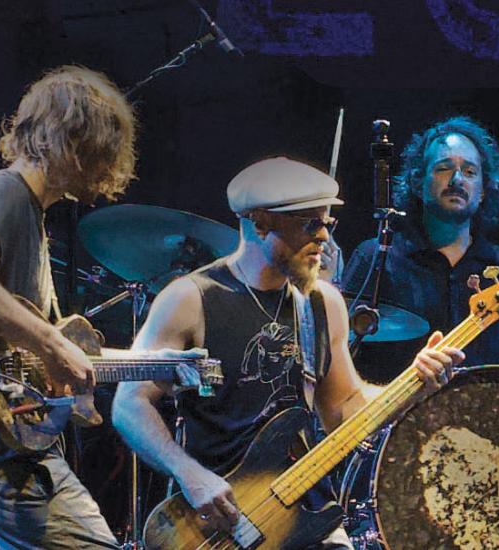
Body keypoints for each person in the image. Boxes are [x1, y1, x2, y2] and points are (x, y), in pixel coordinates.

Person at [113, 157, 464, 547]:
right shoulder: (191, 298)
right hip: (218, 523)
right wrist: (189, 474)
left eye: (327, 223)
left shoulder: (322, 304)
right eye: (309, 224)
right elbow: (129, 403)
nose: (324, 237)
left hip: (305, 510)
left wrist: (413, 384)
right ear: (260, 222)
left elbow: (342, 409)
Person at [0, 65, 136, 548]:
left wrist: (160, 363)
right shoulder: (4, 194)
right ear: (75, 140)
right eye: (105, 149)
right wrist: (53, 346)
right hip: (2, 462)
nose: (110, 166)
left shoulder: (27, 210)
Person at [340, 116, 499, 374]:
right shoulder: (376, 258)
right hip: (390, 400)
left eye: (470, 172)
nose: (457, 179)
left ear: (482, 191)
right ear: (417, 182)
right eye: (444, 168)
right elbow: (340, 353)